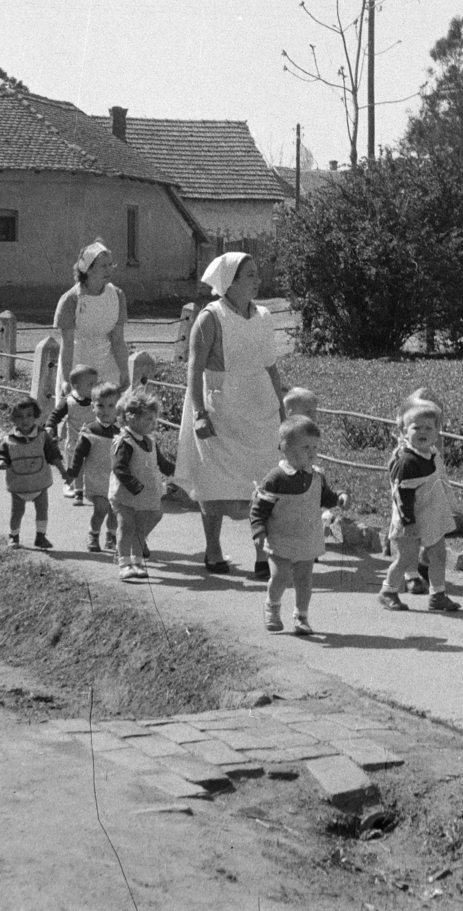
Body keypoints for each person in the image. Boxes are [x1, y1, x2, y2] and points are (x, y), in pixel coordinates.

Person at [174, 253, 287, 575]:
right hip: (219, 407)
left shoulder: (264, 316)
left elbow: (272, 367)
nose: (257, 279)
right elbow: (194, 369)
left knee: (263, 481)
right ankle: (213, 550)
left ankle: (262, 556)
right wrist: (199, 413)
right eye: (250, 275)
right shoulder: (210, 318)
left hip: (259, 406)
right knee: (214, 482)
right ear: (231, 281)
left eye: (256, 274)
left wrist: (281, 411)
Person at [250, 415, 348, 636]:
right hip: (281, 538)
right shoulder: (276, 478)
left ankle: (301, 616)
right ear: (285, 448)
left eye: (315, 447)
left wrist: (339, 498)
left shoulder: (316, 476)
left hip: (307, 537)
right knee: (280, 576)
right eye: (305, 447)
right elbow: (259, 508)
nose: (312, 452)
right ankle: (272, 607)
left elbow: (325, 497)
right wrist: (258, 530)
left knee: (304, 579)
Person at [377, 401, 460, 613]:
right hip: (410, 519)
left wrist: (453, 508)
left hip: (430, 514)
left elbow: (441, 483)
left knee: (438, 555)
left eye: (428, 428)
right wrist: (408, 522)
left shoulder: (431, 454)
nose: (422, 432)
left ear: (437, 432)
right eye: (416, 428)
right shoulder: (407, 461)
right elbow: (401, 495)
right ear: (405, 431)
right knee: (406, 559)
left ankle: (438, 595)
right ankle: (388, 591)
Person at [52, 240, 129, 398]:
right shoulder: (71, 300)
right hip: (77, 365)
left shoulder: (117, 296)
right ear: (88, 270)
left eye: (110, 264)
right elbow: (67, 345)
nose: (109, 270)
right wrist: (66, 380)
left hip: (107, 365)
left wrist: (124, 371)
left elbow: (118, 339)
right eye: (103, 266)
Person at [111, 389, 174, 582]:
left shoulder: (150, 441)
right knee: (126, 525)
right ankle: (123, 563)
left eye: (154, 419)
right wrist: (134, 486)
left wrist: (178, 473)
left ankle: (137, 562)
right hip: (126, 494)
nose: (153, 424)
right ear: (131, 418)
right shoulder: (125, 441)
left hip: (144, 495)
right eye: (148, 419)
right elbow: (119, 468)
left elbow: (161, 463)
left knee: (140, 528)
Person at [0, 396, 63, 550]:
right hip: (19, 484)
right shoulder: (8, 439)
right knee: (17, 512)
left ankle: (40, 536)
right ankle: (13, 536)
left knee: (42, 510)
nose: (25, 420)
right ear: (13, 419)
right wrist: (0, 461)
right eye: (19, 417)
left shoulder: (42, 435)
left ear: (35, 415)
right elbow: (0, 453)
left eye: (29, 415)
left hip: (40, 482)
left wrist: (63, 470)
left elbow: (53, 453)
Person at [63, 382, 121, 553]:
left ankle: (111, 535)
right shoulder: (90, 431)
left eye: (111, 405)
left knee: (114, 512)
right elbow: (79, 454)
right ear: (93, 407)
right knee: (101, 508)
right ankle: (93, 534)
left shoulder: (122, 431)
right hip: (96, 480)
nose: (105, 410)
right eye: (100, 405)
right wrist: (73, 472)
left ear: (118, 407)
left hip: (115, 481)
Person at [47, 364, 98, 504]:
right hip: (75, 441)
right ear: (77, 386)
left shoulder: (97, 401)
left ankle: (89, 487)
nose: (95, 388)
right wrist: (50, 426)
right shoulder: (69, 401)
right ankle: (71, 485)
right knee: (74, 464)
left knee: (93, 463)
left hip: (94, 441)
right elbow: (55, 415)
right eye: (90, 384)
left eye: (96, 383)